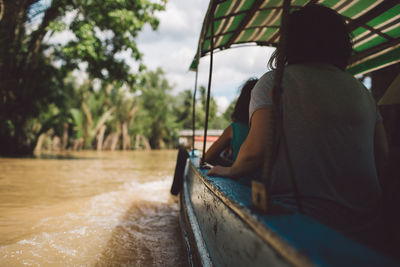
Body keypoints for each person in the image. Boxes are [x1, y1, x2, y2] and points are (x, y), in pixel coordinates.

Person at [208, 4, 389, 244]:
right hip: (366, 221)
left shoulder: (274, 82)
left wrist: (229, 170)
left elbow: (254, 155)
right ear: (341, 45)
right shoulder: (362, 90)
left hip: (300, 219)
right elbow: (382, 157)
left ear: (289, 43)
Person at [204, 78, 258, 167]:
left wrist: (233, 166)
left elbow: (208, 157)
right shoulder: (272, 129)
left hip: (240, 179)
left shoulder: (234, 129)